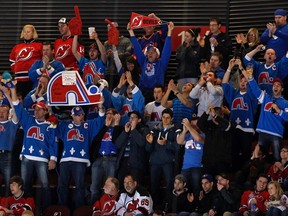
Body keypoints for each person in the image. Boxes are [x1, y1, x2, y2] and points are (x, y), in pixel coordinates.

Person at [10, 81, 57, 210]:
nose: (36, 111)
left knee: (45, 185)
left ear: (45, 111)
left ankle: (47, 210)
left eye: (39, 109)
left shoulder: (50, 126)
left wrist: (53, 158)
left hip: (42, 159)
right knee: (24, 185)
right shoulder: (28, 120)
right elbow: (18, 107)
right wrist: (13, 90)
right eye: (35, 109)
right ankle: (25, 209)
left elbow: (53, 142)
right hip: (27, 157)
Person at [56, 104, 105, 208]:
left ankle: (79, 210)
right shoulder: (66, 125)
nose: (81, 117)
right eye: (78, 115)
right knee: (62, 186)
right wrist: (51, 113)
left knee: (80, 187)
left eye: (82, 114)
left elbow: (100, 121)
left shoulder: (88, 126)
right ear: (73, 116)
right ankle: (61, 209)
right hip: (65, 160)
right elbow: (54, 127)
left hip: (80, 161)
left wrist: (100, 107)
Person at [242, 67, 288, 162]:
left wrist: (279, 111)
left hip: (276, 134)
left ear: (282, 89)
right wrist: (250, 77)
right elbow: (255, 89)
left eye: (278, 85)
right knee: (259, 159)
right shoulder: (266, 97)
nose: (275, 87)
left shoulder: (286, 103)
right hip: (262, 132)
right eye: (274, 85)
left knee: (277, 160)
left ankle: (276, 176)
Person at [222, 58, 258, 171]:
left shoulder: (252, 95)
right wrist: (229, 68)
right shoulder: (234, 93)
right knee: (233, 153)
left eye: (245, 81)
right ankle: (234, 174)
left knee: (246, 154)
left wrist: (242, 68)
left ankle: (245, 174)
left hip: (247, 129)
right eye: (241, 81)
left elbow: (252, 84)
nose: (243, 82)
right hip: (234, 127)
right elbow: (224, 84)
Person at [127, 21, 174, 102]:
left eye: (153, 51)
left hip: (157, 93)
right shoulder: (143, 61)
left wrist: (170, 32)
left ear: (158, 55)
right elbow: (137, 49)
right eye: (148, 52)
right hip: (144, 92)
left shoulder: (161, 64)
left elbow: (167, 50)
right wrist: (131, 31)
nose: (150, 53)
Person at [145, 108, 178, 206]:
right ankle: (155, 208)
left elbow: (178, 147)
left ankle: (167, 207)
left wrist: (166, 143)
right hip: (155, 161)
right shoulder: (154, 130)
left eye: (168, 118)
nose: (165, 120)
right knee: (154, 186)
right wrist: (150, 143)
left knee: (169, 186)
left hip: (168, 162)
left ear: (172, 118)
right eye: (163, 117)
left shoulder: (175, 129)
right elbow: (147, 149)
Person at [89, 108, 121, 204]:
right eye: (106, 114)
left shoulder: (119, 129)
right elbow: (95, 141)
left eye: (110, 114)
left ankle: (107, 209)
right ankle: (94, 210)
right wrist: (105, 126)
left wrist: (116, 125)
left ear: (116, 116)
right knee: (94, 187)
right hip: (99, 159)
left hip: (112, 159)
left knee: (109, 188)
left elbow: (117, 141)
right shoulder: (102, 128)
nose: (107, 115)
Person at [197, 104, 234, 175]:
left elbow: (227, 126)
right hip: (208, 160)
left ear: (222, 116)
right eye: (213, 117)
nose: (214, 119)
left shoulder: (228, 124)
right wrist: (206, 113)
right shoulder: (209, 124)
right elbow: (200, 124)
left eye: (216, 116)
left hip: (222, 162)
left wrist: (215, 116)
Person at [115, 110, 149, 186]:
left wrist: (133, 130)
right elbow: (118, 145)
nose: (131, 120)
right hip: (123, 162)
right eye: (130, 118)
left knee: (136, 186)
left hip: (136, 163)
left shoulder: (144, 129)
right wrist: (125, 133)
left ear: (139, 120)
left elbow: (142, 143)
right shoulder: (126, 130)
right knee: (122, 186)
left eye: (133, 118)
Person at [9, 24, 43, 97]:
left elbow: (44, 60)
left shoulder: (39, 46)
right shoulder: (17, 47)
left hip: (33, 79)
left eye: (28, 32)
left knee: (32, 99)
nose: (26, 33)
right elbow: (12, 60)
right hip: (19, 79)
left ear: (33, 33)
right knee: (20, 100)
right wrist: (16, 69)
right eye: (24, 32)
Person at [176, 115, 205, 200]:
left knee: (196, 188)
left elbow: (199, 139)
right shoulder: (187, 135)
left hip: (197, 166)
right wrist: (185, 130)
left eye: (195, 122)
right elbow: (179, 141)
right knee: (184, 189)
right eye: (191, 122)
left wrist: (189, 126)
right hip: (185, 167)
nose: (192, 124)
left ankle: (196, 206)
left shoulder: (203, 134)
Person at [0, 84, 19, 195]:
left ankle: (7, 204)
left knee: (9, 184)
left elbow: (15, 110)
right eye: (0, 111)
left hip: (7, 156)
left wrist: (7, 93)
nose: (1, 113)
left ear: (8, 113)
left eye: (4, 112)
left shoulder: (12, 124)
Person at [104, 22, 132, 90]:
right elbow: (103, 58)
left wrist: (116, 54)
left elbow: (129, 54)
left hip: (122, 73)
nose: (112, 33)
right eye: (110, 31)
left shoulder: (126, 41)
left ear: (118, 30)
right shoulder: (107, 43)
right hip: (109, 73)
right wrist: (107, 55)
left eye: (114, 30)